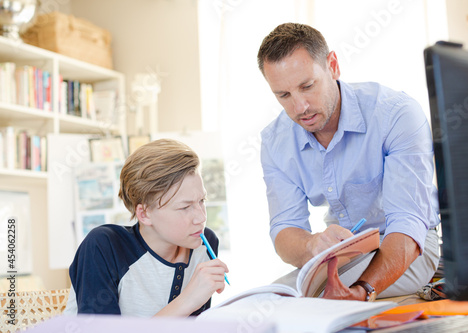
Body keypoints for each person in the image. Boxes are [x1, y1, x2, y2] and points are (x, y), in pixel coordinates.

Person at [257, 23, 440, 301]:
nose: (299, 107)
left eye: (307, 86)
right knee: (267, 299)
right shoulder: (275, 141)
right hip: (345, 254)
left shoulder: (395, 114)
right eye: (283, 95)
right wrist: (311, 244)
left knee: (304, 302)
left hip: (411, 245)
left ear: (332, 65)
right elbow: (284, 229)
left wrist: (362, 290)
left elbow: (408, 223)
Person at [64, 139, 229, 316]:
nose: (201, 218)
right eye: (185, 207)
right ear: (144, 214)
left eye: (201, 201)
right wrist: (188, 300)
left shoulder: (204, 244)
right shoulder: (103, 247)